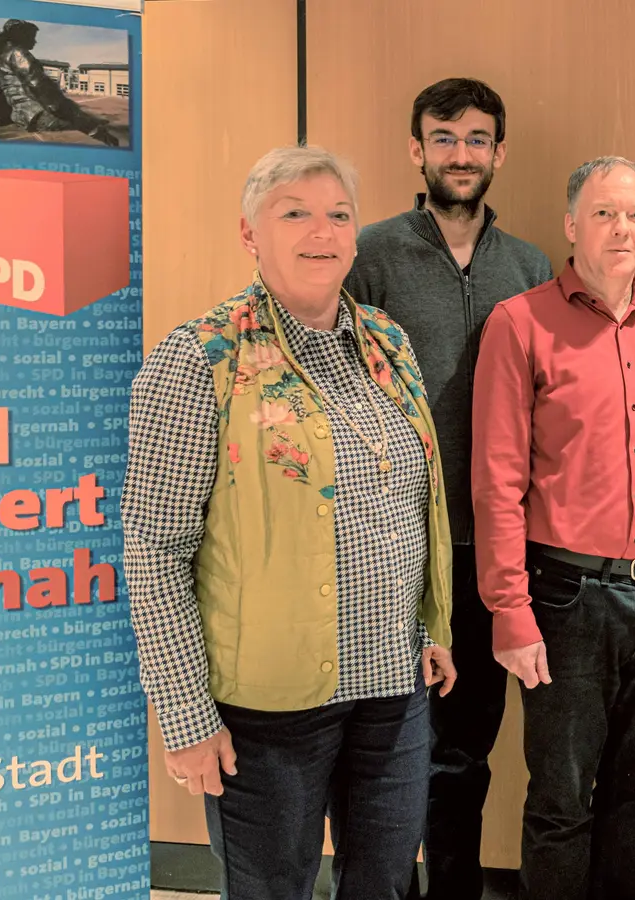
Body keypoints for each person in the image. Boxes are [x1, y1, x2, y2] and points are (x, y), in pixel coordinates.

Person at [123, 145, 456, 900]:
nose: (322, 231)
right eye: (295, 213)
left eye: (339, 215)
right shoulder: (199, 358)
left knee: (382, 885)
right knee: (274, 888)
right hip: (268, 709)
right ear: (250, 234)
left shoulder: (388, 343)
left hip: (392, 690)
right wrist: (184, 713)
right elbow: (153, 547)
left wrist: (433, 624)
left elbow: (413, 501)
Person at [471, 156, 635, 900]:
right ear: (571, 225)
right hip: (565, 598)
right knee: (561, 799)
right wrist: (509, 611)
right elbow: (497, 478)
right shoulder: (520, 323)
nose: (622, 228)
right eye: (604, 213)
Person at [342, 77, 551, 900]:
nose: (460, 154)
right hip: (390, 548)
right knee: (388, 744)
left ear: (499, 153)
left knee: (467, 747)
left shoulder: (530, 265)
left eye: (476, 139)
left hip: (492, 550)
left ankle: (454, 890)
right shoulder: (370, 255)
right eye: (444, 137)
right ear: (415, 149)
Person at [0, 19, 119, 145]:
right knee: (91, 123)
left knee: (88, 122)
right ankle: (112, 144)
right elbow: (39, 85)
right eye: (32, 36)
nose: (35, 41)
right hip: (36, 114)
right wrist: (68, 111)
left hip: (20, 115)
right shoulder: (17, 53)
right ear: (21, 35)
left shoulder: (0, 58)